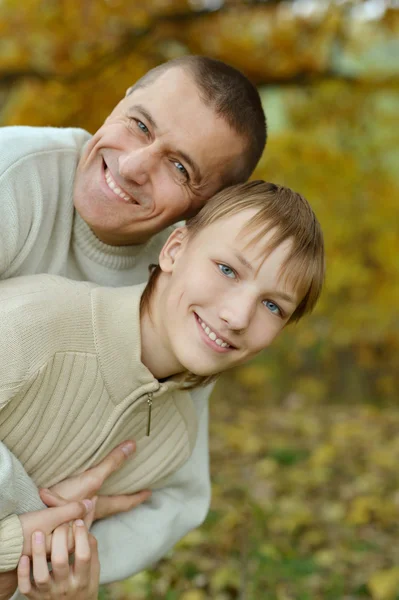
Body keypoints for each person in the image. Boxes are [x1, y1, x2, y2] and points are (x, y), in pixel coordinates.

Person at [0, 54, 267, 590]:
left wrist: (63, 559)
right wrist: (38, 517)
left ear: (202, 211)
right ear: (120, 100)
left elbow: (178, 497)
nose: (132, 165)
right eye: (139, 124)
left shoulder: (181, 282)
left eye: (180, 168)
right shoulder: (14, 175)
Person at [0, 181, 324, 599]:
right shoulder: (33, 322)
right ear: (173, 249)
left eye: (273, 306)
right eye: (228, 270)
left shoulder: (172, 441)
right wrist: (20, 538)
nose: (238, 316)